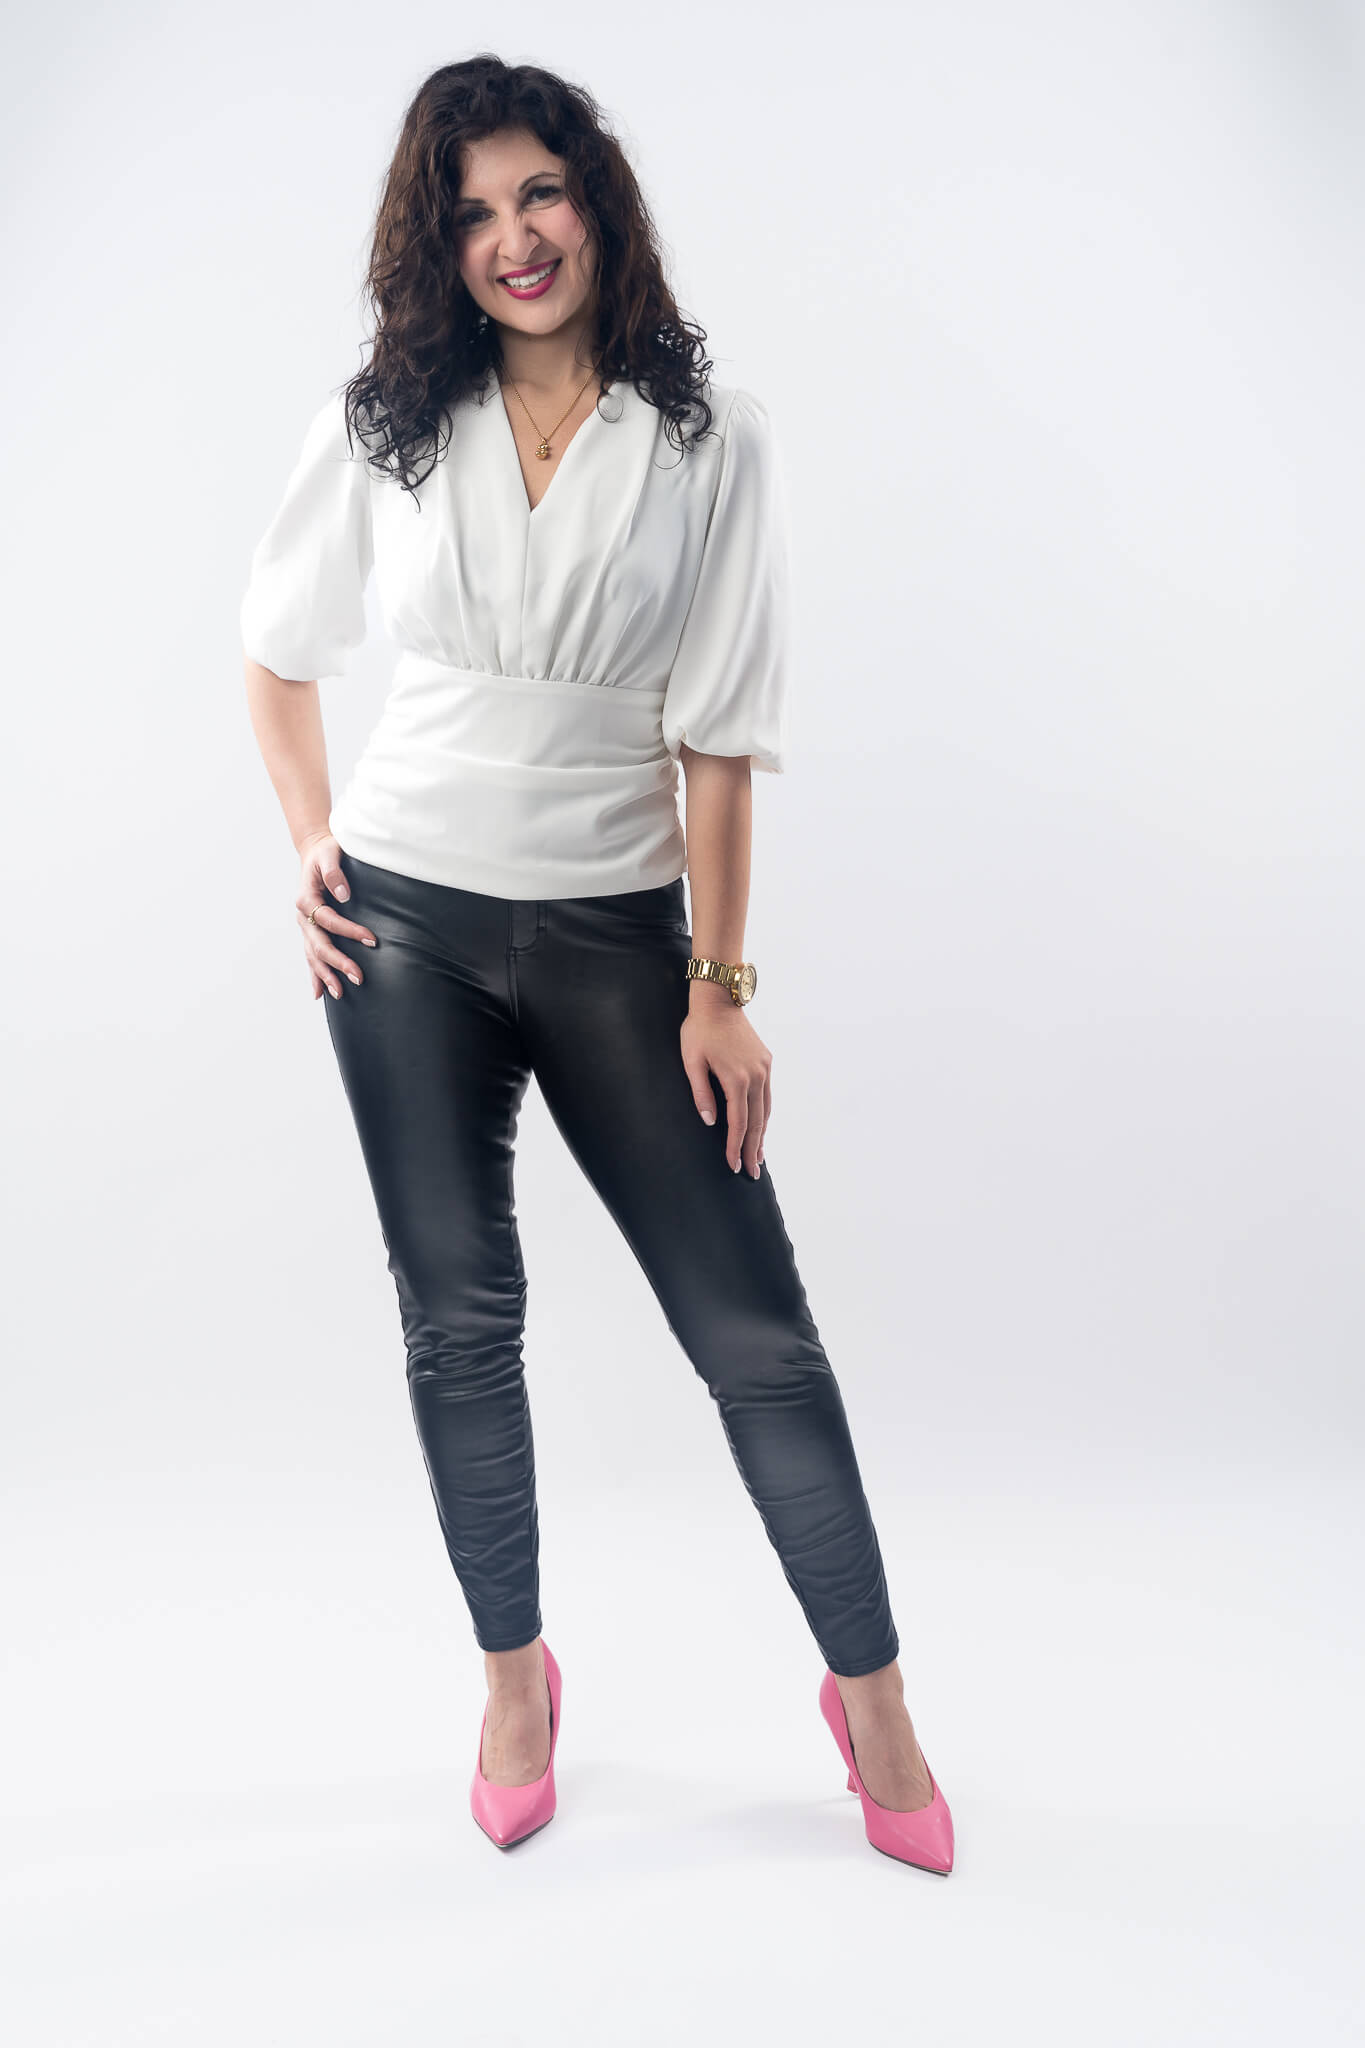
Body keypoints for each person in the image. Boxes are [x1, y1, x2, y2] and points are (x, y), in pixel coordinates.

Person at [239, 54, 953, 1873]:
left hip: (615, 930)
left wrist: (720, 985)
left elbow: (718, 741)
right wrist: (311, 835)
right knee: (457, 1320)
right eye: (473, 213)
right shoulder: (390, 422)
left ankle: (871, 1702)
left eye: (538, 193)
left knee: (753, 1337)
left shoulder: (710, 440)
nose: (513, 239)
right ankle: (513, 1683)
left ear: (596, 200)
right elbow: (277, 645)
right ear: (438, 246)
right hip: (402, 925)